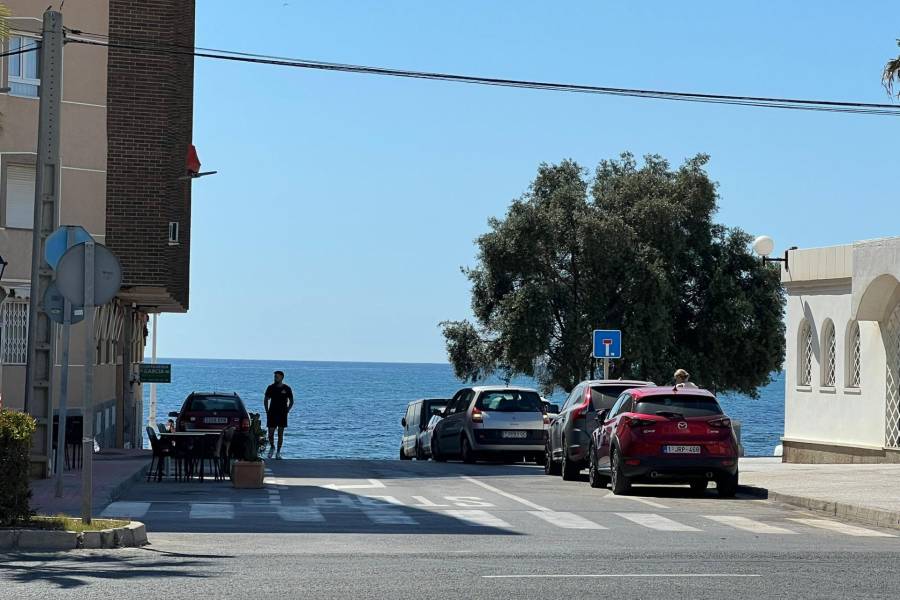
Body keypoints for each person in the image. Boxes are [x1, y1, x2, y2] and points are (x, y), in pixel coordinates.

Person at [264, 370, 294, 459]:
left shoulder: (287, 388)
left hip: (282, 414)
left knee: (280, 434)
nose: (275, 378)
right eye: (275, 376)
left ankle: (278, 452)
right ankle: (272, 447)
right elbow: (266, 399)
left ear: (282, 377)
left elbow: (291, 401)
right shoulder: (270, 387)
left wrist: (287, 410)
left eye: (277, 376)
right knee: (270, 434)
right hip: (272, 413)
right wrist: (267, 411)